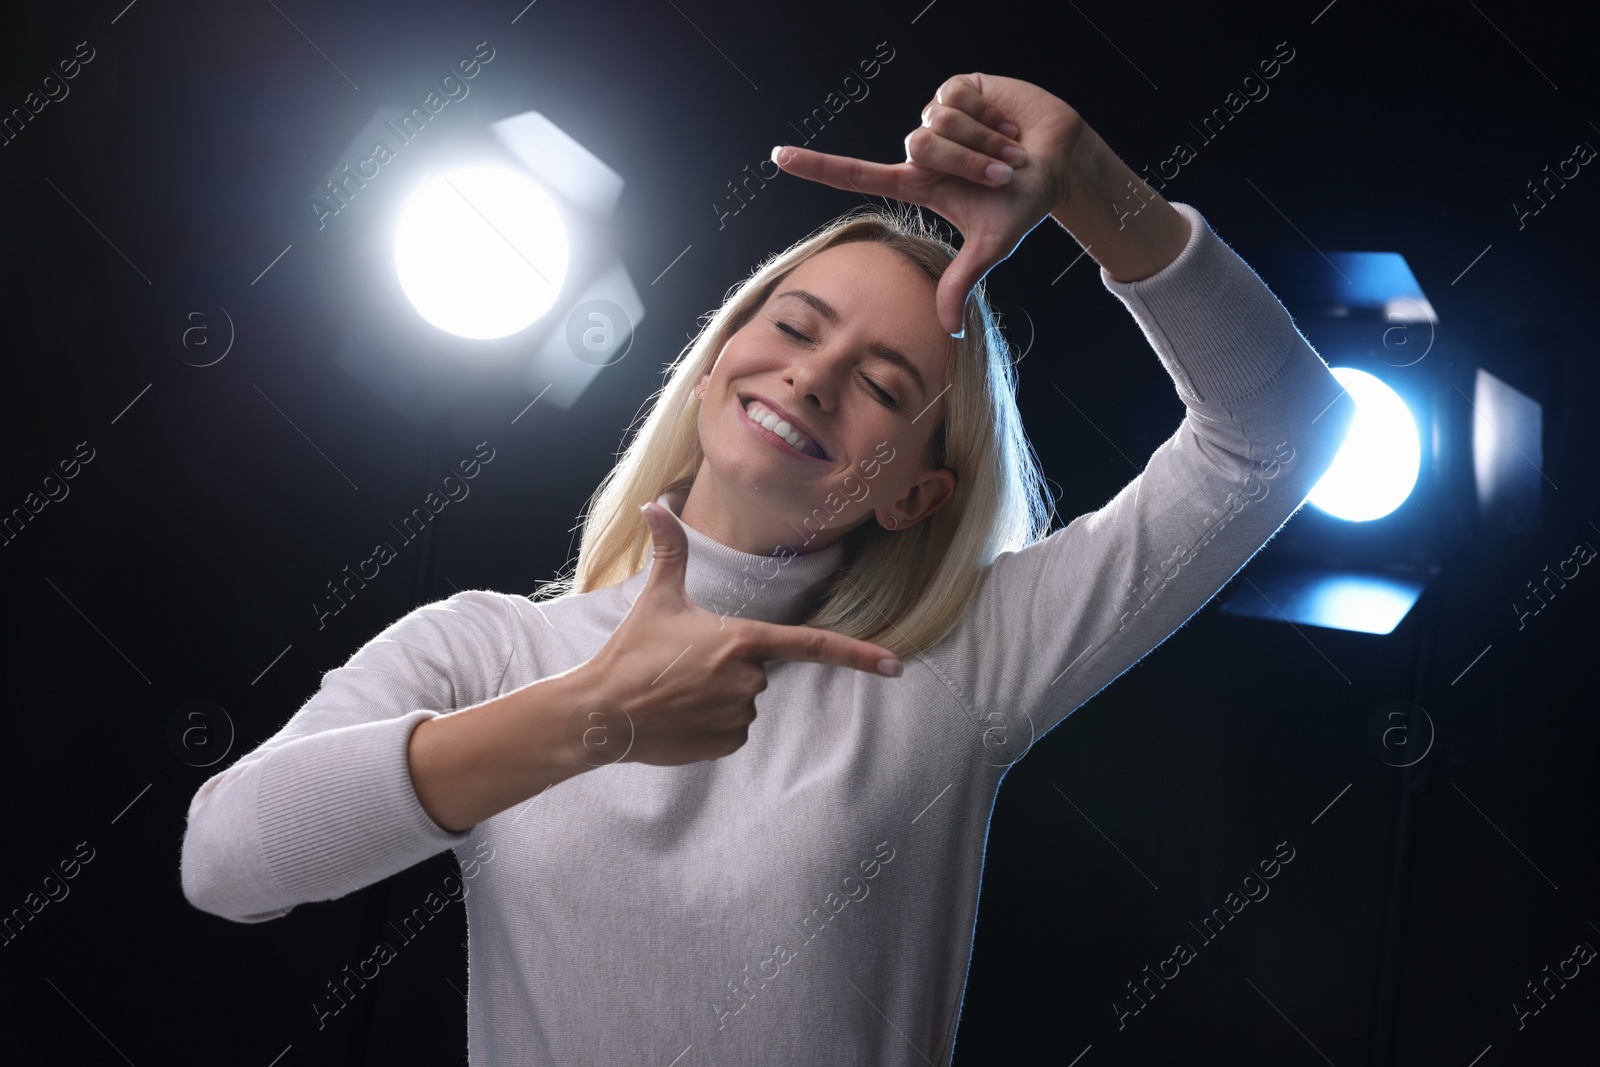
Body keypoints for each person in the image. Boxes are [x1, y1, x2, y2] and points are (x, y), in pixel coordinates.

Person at [181, 72, 1356, 1065]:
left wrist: (1091, 183)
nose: (811, 375)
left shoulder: (952, 667)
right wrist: (593, 716)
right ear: (715, 361)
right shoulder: (488, 649)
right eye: (793, 327)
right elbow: (225, 861)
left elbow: (1277, 436)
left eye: (887, 385)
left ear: (915, 493)